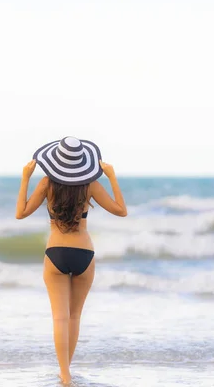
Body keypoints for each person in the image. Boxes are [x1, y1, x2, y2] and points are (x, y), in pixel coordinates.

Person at [15, 136, 127, 384]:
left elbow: (20, 213)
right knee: (74, 316)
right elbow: (121, 210)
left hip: (56, 252)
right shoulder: (91, 185)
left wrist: (25, 177)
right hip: (84, 253)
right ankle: (67, 371)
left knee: (59, 317)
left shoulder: (46, 184)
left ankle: (64, 374)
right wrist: (111, 176)